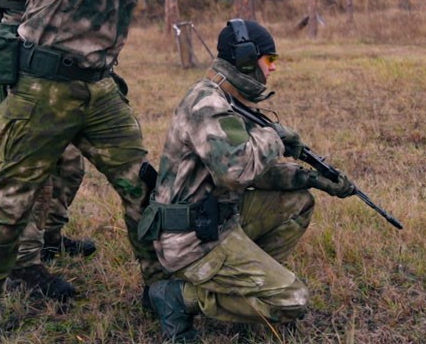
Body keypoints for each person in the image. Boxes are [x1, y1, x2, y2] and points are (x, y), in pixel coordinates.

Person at [0, 0, 288, 344]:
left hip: (98, 88)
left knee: (145, 191)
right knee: (13, 200)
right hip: (41, 88)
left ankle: (159, 291)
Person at [142, 19, 355, 343]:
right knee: (291, 300)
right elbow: (234, 172)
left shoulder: (228, 100)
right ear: (244, 60)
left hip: (215, 218)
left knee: (296, 202)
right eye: (269, 61)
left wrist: (308, 178)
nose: (272, 69)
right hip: (190, 239)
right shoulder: (208, 106)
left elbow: (247, 172)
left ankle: (247, 288)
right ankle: (178, 297)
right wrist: (274, 138)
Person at [0, 0, 97, 303]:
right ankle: (26, 265)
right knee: (35, 169)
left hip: (59, 57)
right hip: (25, 58)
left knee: (70, 162)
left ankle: (52, 237)